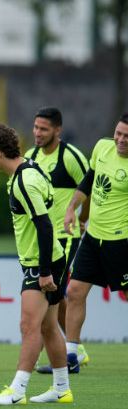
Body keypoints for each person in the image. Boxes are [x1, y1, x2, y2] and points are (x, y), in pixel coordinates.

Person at [0, 124, 73, 405]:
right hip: (49, 259)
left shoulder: (25, 181)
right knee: (47, 327)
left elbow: (44, 227)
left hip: (41, 264)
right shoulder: (30, 169)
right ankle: (61, 389)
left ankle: (17, 391)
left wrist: (44, 272)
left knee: (28, 325)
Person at [23, 107, 90, 374]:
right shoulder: (30, 157)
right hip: (43, 238)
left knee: (55, 292)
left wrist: (83, 218)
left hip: (66, 236)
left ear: (57, 131)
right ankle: (73, 350)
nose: (37, 133)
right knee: (56, 295)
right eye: (36, 128)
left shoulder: (72, 157)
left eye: (44, 129)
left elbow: (89, 188)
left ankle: (66, 356)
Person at [62, 113, 128, 372]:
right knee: (75, 292)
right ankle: (71, 357)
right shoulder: (102, 147)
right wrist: (72, 209)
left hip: (120, 241)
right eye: (119, 133)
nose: (120, 140)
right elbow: (89, 181)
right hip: (92, 237)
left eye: (127, 137)